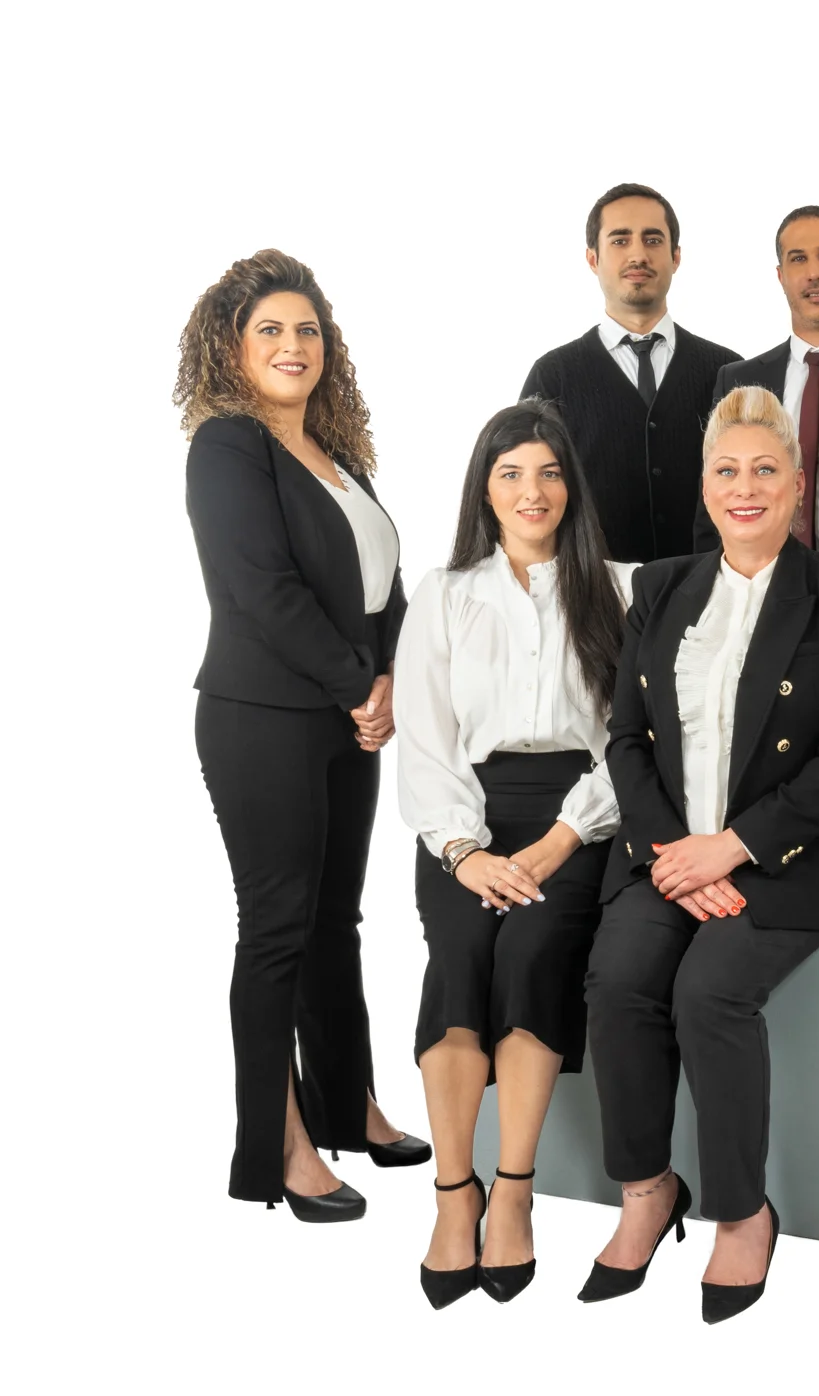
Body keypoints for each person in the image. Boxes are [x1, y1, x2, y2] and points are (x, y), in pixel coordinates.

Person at [580, 387, 819, 1322]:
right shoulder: (661, 587)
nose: (745, 487)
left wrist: (732, 847)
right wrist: (672, 853)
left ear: (797, 485)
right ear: (705, 487)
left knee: (708, 991)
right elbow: (625, 736)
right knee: (619, 978)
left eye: (765, 469)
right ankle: (647, 1191)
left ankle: (742, 1212)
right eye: (727, 470)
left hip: (794, 855)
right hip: (671, 852)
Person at [178, 249, 428, 1219]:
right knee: (278, 927)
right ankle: (277, 1145)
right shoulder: (226, 447)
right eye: (271, 330)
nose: (294, 345)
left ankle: (345, 1103)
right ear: (233, 347)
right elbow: (261, 591)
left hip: (344, 713)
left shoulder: (337, 455)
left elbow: (384, 584)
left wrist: (393, 675)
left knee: (335, 922)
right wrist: (362, 686)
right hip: (262, 717)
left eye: (308, 329)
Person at [394, 401, 635, 1307]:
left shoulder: (620, 588)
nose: (532, 492)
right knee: (459, 955)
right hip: (466, 813)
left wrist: (561, 838)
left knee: (533, 952)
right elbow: (425, 737)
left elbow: (634, 740)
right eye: (510, 475)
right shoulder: (447, 592)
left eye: (548, 472)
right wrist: (463, 851)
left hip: (581, 815)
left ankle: (515, 1192)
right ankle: (454, 1194)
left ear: (571, 486)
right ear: (485, 491)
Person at [522, 182, 740, 562]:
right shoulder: (552, 377)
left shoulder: (728, 371)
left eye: (653, 240)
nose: (638, 255)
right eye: (620, 240)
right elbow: (528, 495)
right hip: (593, 590)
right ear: (593, 259)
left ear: (676, 256)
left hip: (714, 589)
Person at [691, 205, 819, 591]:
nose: (814, 272)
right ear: (781, 276)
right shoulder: (738, 379)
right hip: (758, 594)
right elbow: (712, 505)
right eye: (798, 259)